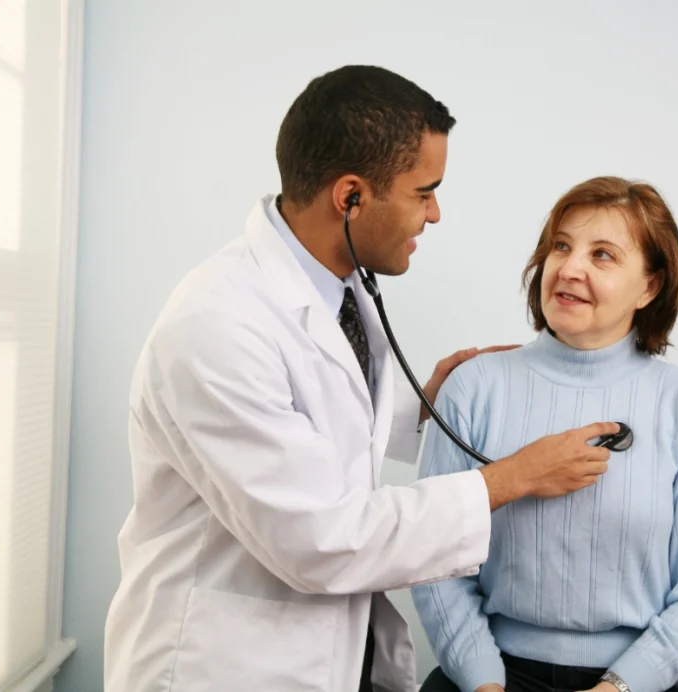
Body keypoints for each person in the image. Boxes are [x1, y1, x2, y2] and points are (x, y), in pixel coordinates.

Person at [102, 66, 623, 692]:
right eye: (424, 191)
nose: (435, 213)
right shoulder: (216, 327)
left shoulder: (338, 286)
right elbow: (321, 538)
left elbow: (317, 414)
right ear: (351, 197)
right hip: (222, 666)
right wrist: (511, 479)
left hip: (336, 658)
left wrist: (420, 407)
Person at [411, 176, 678, 692]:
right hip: (493, 676)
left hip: (645, 681)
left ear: (650, 286)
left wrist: (618, 688)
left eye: (603, 255)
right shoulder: (474, 386)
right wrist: (483, 683)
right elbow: (436, 561)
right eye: (561, 247)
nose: (570, 268)